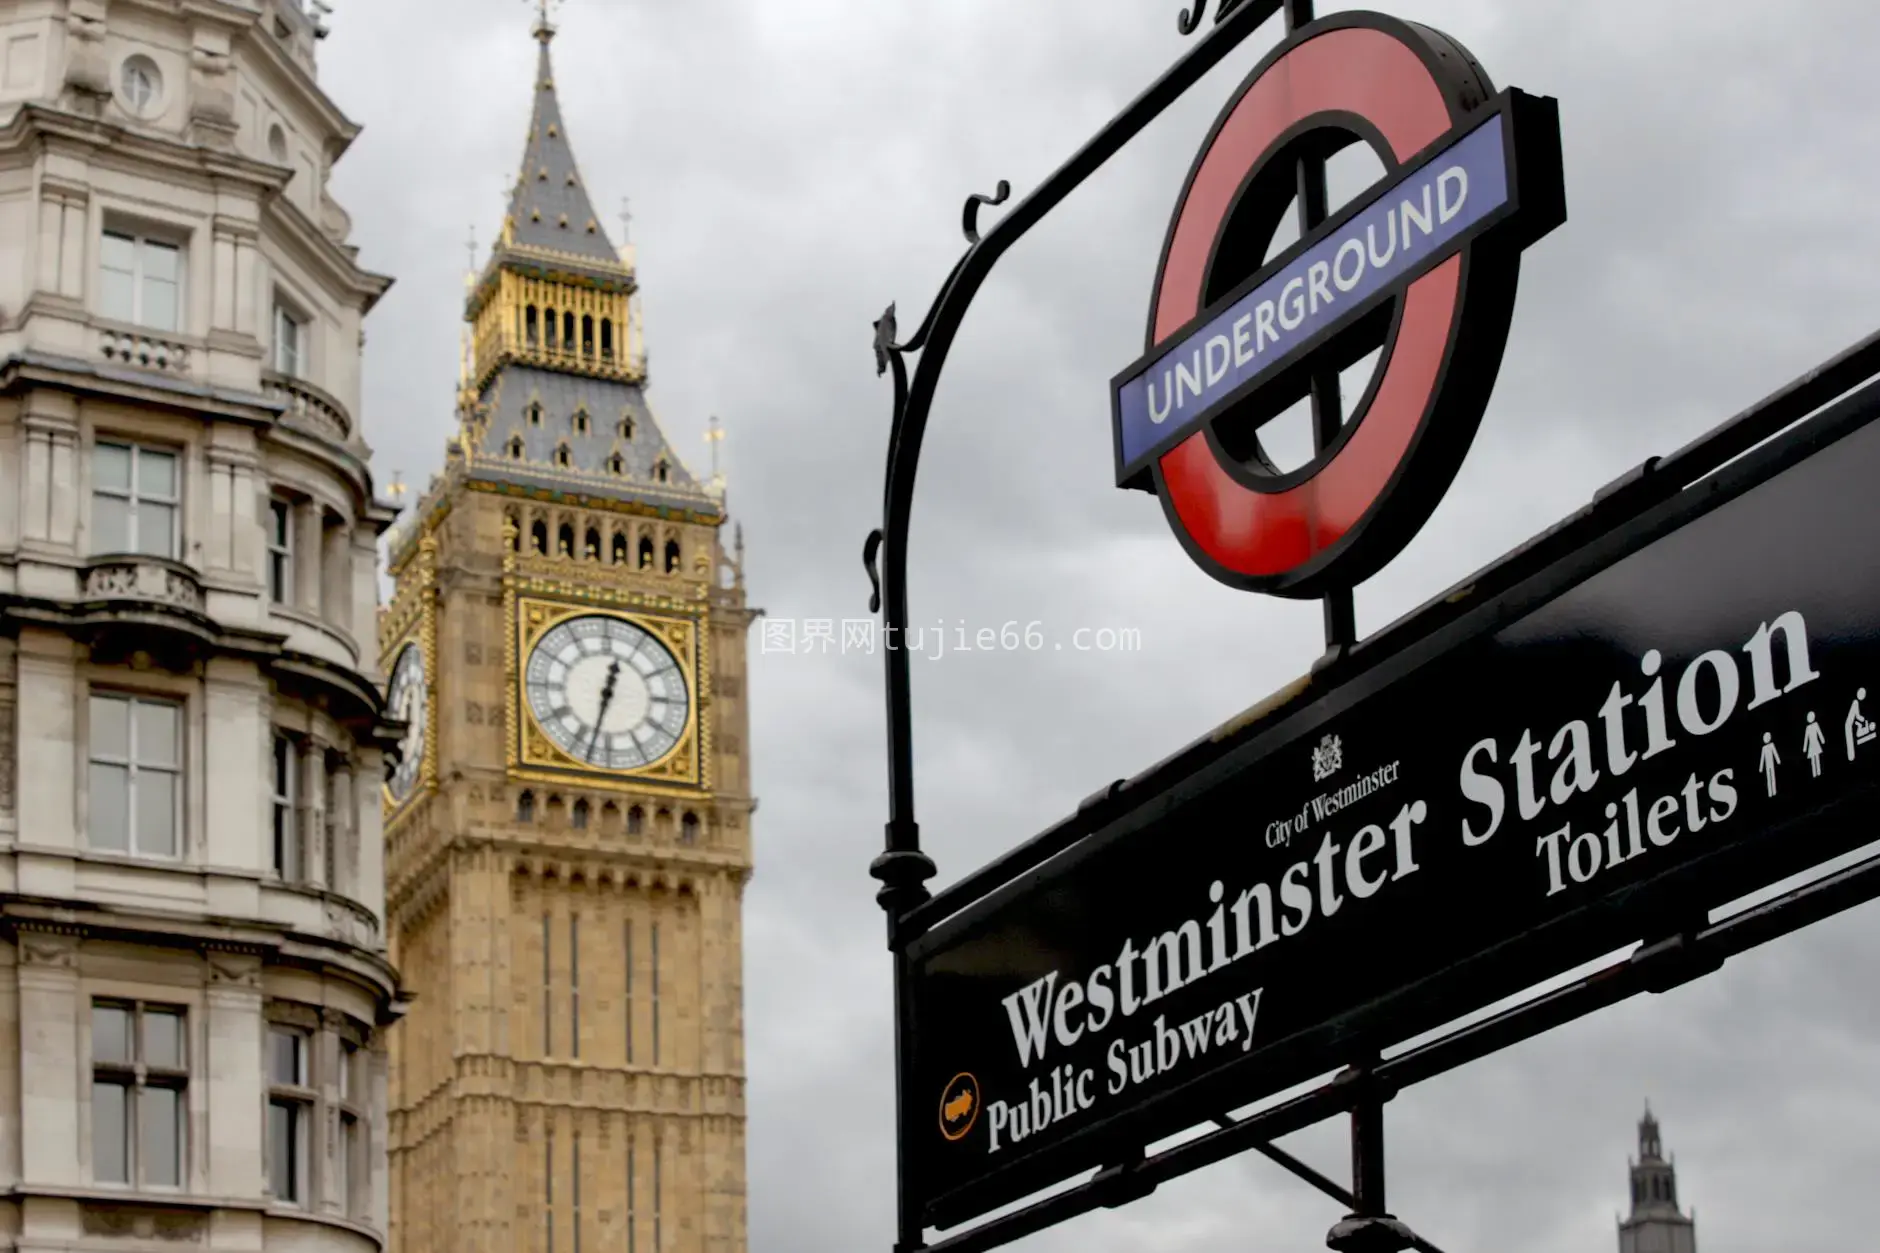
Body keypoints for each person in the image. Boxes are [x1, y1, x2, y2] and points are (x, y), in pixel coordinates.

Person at [1803, 710, 1827, 778]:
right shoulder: (1808, 728)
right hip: (1811, 746)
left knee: (1817, 758)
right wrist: (1805, 748)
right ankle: (1815, 773)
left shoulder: (1815, 725)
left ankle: (1818, 772)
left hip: (1816, 744)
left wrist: (1822, 740)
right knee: (1813, 759)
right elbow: (1806, 738)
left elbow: (1819, 733)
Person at [1759, 731, 1781, 797]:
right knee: (1769, 778)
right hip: (1767, 765)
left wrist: (1778, 761)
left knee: (1773, 777)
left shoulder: (1771, 745)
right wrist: (1761, 768)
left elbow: (1775, 753)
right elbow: (1762, 758)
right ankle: (1770, 792)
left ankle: (1774, 791)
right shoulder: (1764, 748)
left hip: (1771, 764)